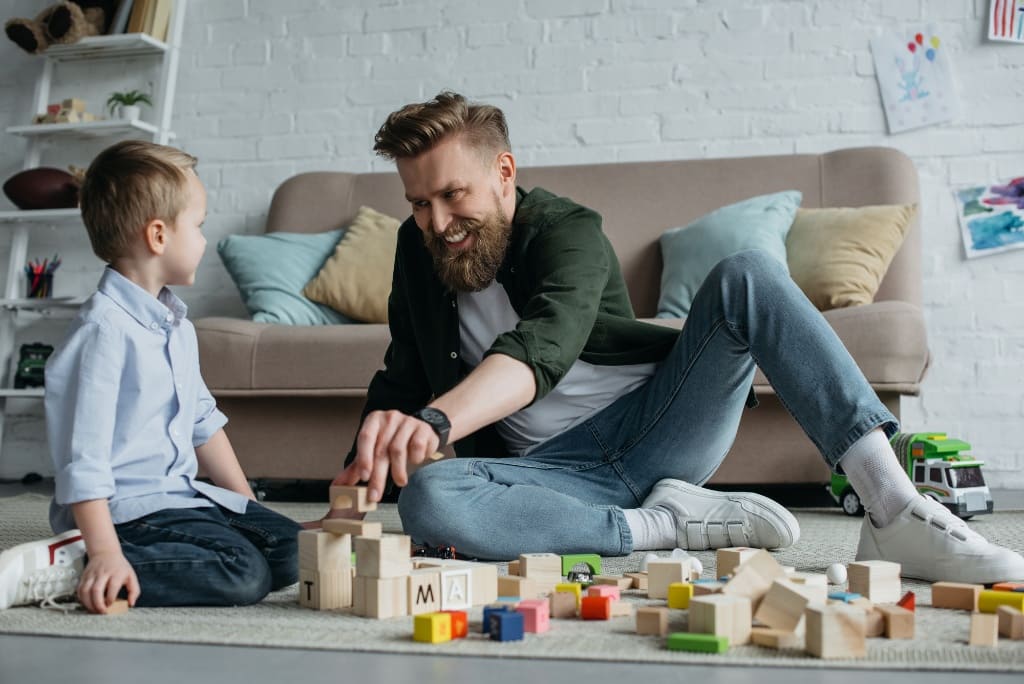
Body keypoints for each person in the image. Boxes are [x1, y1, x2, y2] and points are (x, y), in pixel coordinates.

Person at [334, 91, 1024, 584]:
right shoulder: (415, 250)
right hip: (553, 478)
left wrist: (438, 418)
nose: (437, 221)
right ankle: (664, 526)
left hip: (656, 427)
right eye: (419, 203)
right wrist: (351, 496)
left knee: (747, 274)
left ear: (504, 173)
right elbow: (400, 376)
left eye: (453, 196)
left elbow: (546, 345)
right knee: (429, 501)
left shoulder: (564, 228)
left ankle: (893, 507)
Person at [0, 141, 301, 613]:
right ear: (158, 236)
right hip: (124, 513)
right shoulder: (102, 331)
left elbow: (203, 421)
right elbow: (85, 459)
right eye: (198, 227)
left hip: (179, 498)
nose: (204, 239)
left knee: (293, 551)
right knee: (243, 574)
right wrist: (105, 552)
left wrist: (251, 514)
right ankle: (74, 566)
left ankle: (177, 551)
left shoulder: (175, 324)